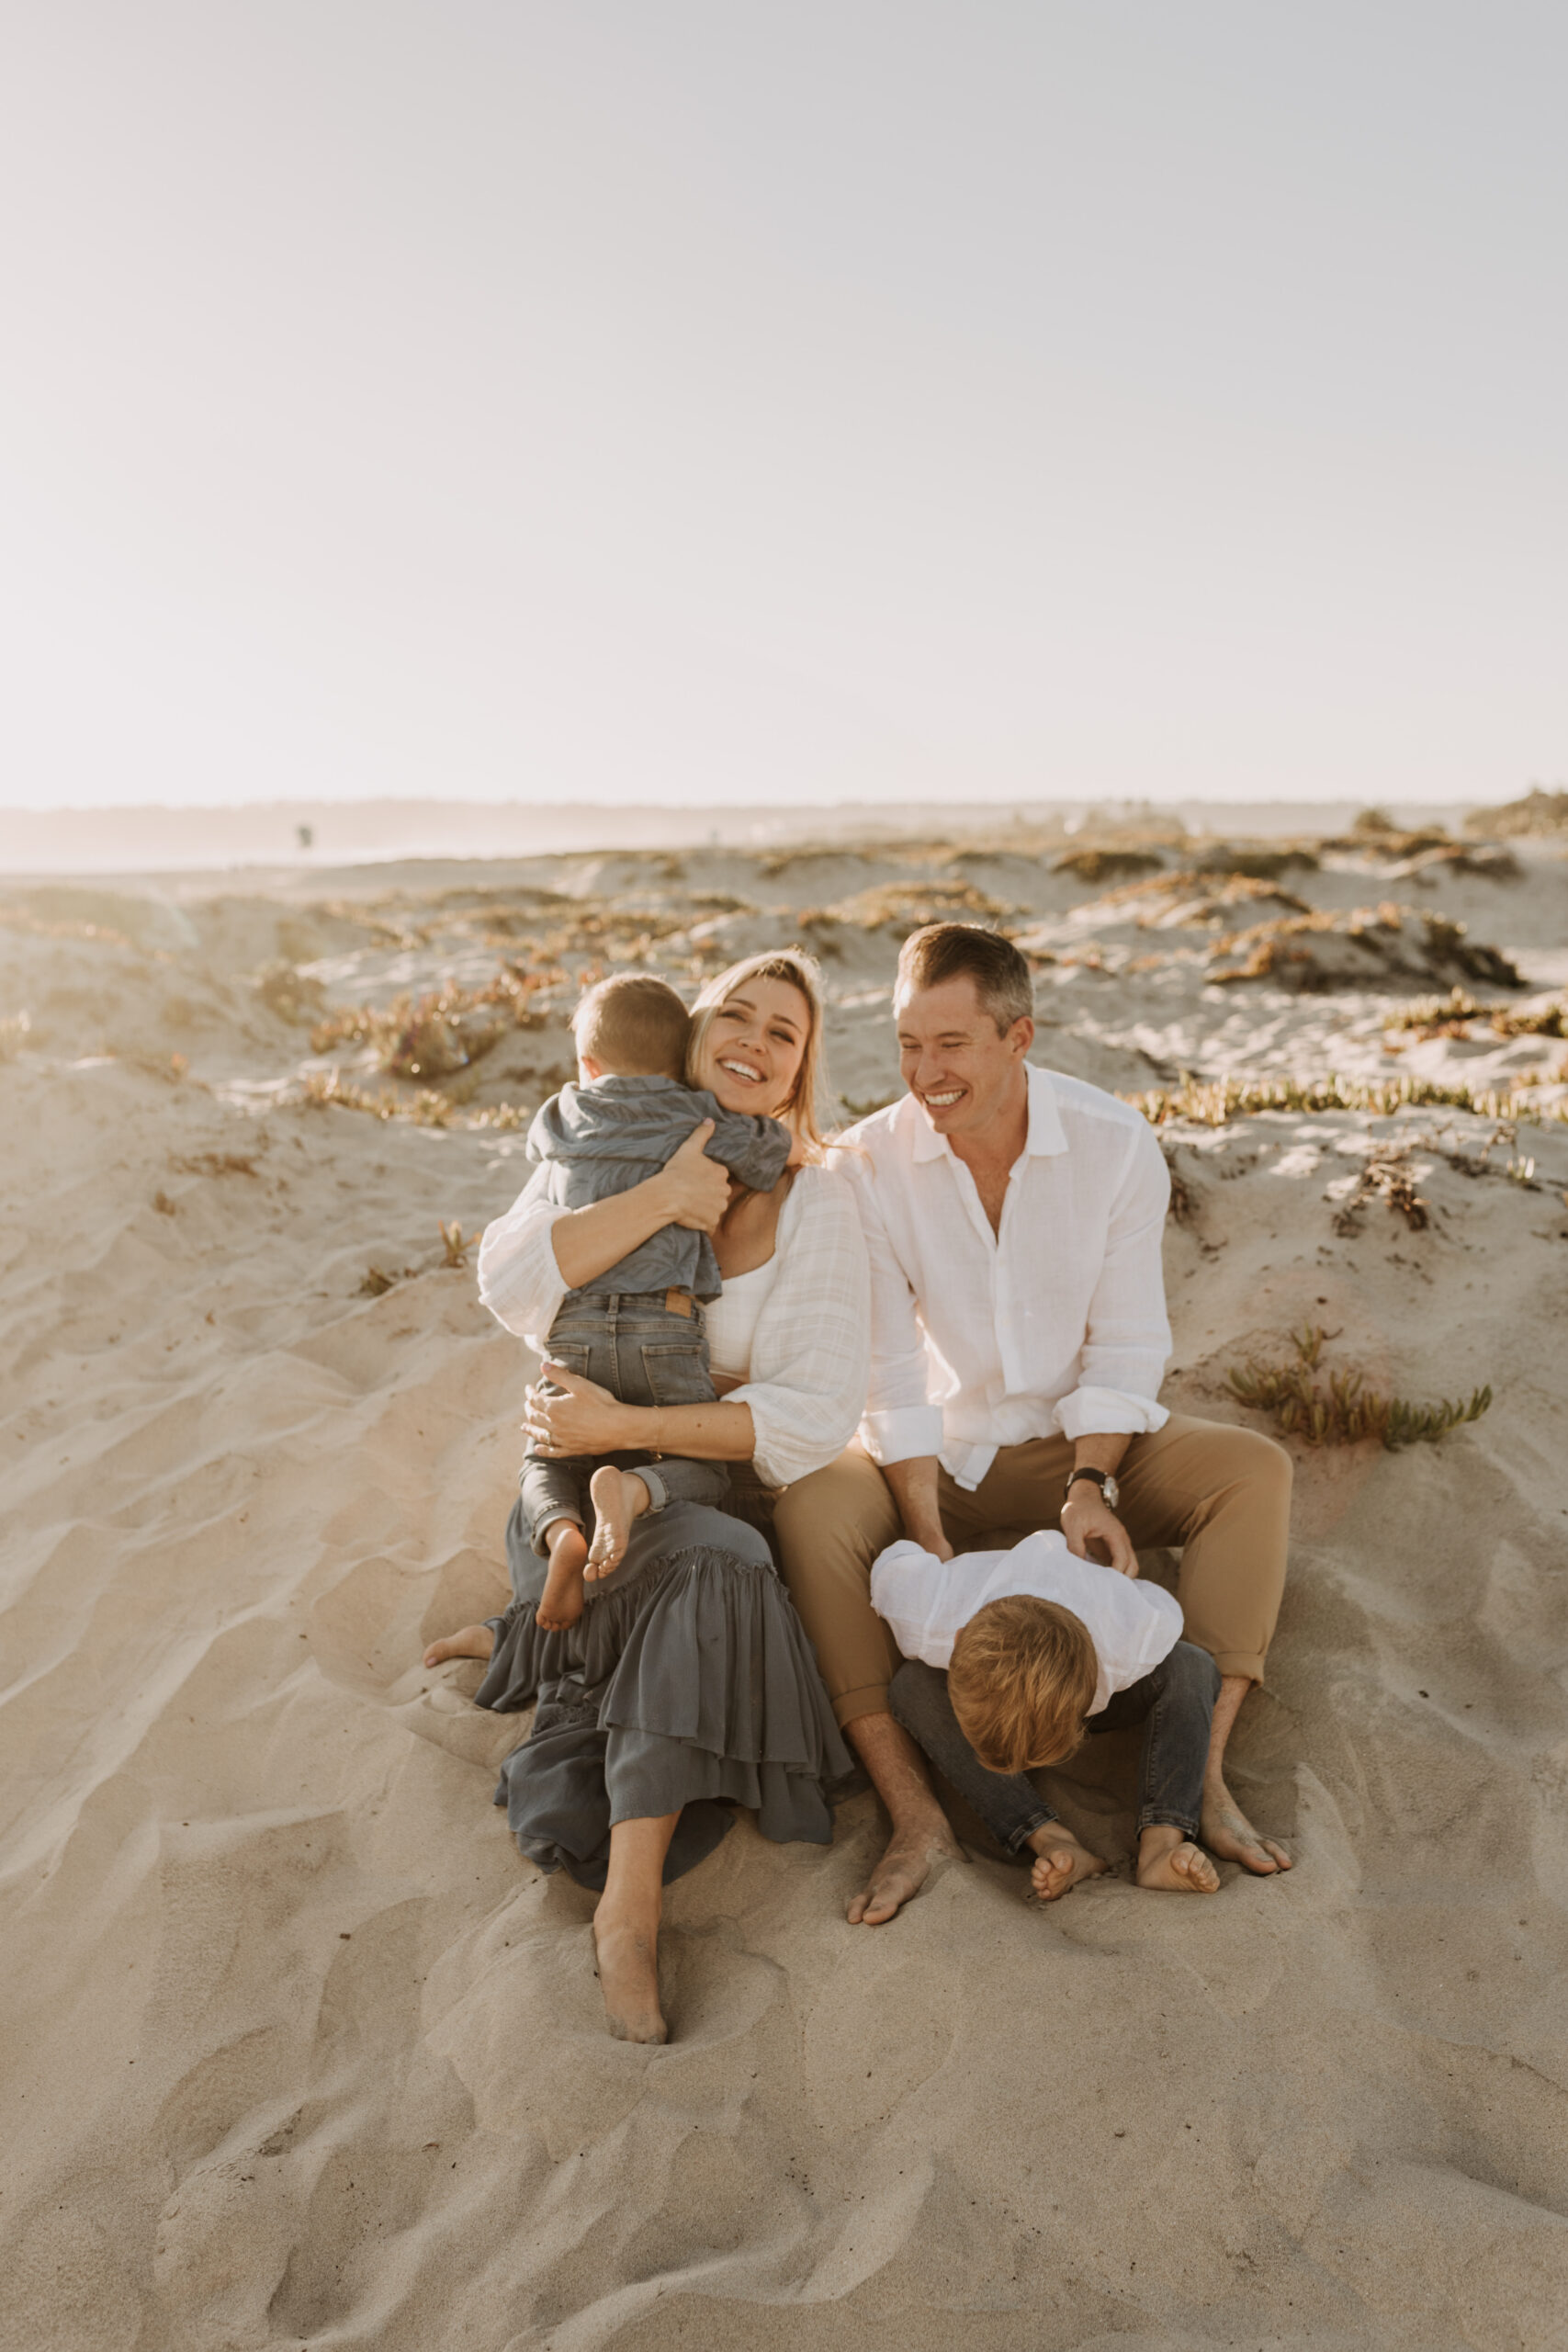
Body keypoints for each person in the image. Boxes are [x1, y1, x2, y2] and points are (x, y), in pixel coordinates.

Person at [772, 921, 1293, 1928]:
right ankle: (916, 1813)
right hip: (942, 1458)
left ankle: (1201, 1783)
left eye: (951, 1043)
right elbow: (889, 1368)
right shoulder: (870, 1162)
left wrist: (1092, 1484)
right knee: (809, 1507)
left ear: (1019, 1038)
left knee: (1254, 1473)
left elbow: (1131, 1342)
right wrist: (920, 1516)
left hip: (1079, 1449)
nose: (925, 1071)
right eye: (908, 1043)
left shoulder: (1112, 1145)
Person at [423, 950, 871, 2043]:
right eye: (739, 1018)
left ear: (803, 1068)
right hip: (582, 1472)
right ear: (693, 1033)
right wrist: (665, 1197)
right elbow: (512, 1281)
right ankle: (547, 1605)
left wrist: (628, 1429)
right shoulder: (626, 1141)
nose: (755, 1045)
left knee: (718, 1556)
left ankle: (628, 1907)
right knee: (582, 1506)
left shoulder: (817, 1196)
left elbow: (807, 1418)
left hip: (698, 1494)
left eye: (785, 1034)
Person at [517, 970, 795, 1632]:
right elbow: (765, 1156)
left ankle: (561, 1532)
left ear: (587, 1063)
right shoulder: (694, 1117)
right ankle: (635, 1490)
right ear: (683, 1062)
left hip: (574, 1328)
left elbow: (539, 1146)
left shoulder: (563, 1112)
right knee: (707, 1467)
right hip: (663, 1325)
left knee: (545, 1455)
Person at [873, 1530, 1221, 1898]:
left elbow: (1159, 1604)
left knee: (1192, 1666)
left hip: (1094, 1655)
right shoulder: (930, 1610)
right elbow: (893, 1562)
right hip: (1021, 1641)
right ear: (957, 1640)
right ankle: (1050, 1837)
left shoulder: (1130, 1633)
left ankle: (1161, 1843)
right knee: (911, 1685)